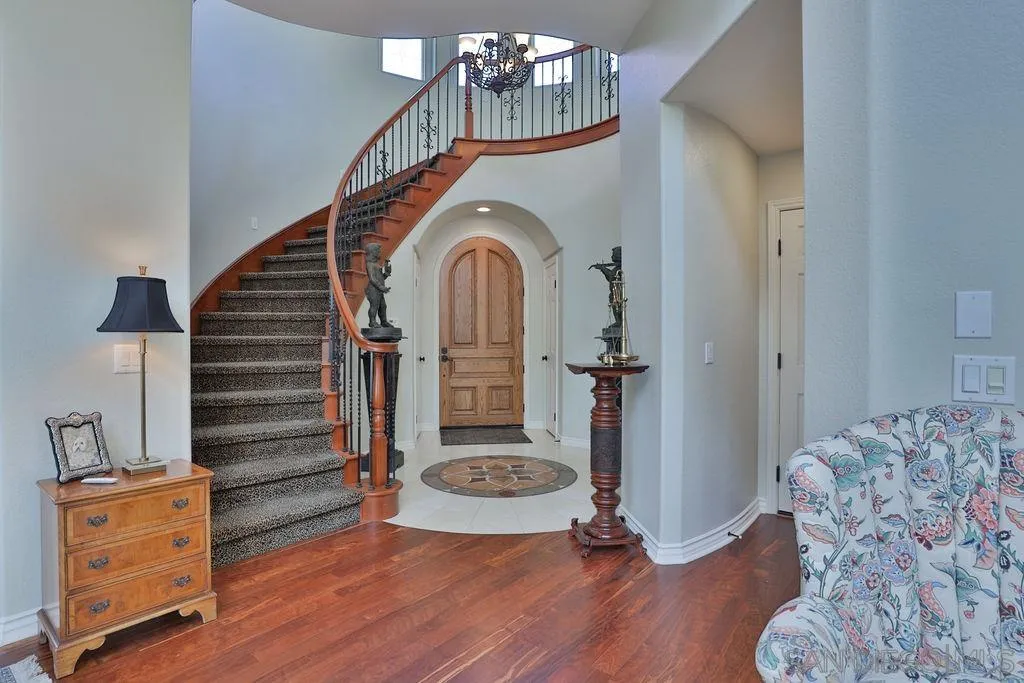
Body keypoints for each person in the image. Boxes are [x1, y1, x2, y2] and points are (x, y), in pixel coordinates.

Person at [589, 246, 622, 328]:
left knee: (618, 306)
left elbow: (612, 276)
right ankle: (618, 321)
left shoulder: (619, 268)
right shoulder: (616, 267)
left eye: (613, 254)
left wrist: (603, 269)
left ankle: (619, 321)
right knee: (614, 304)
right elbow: (610, 278)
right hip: (613, 292)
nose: (612, 256)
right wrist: (603, 270)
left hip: (618, 292)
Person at [364, 243, 392, 328]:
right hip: (373, 289)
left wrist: (386, 274)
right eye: (378, 251)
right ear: (373, 252)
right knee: (374, 306)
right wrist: (381, 287)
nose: (379, 252)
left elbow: (380, 278)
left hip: (378, 289)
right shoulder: (370, 264)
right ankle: (372, 321)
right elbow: (372, 278)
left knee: (383, 306)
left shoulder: (376, 264)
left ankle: (383, 321)